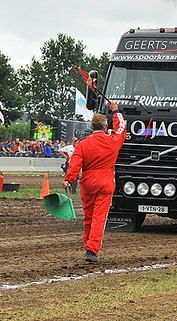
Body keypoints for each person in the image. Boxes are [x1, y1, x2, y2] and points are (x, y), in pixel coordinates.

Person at [62, 101, 126, 263]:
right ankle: (92, 249)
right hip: (106, 181)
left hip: (88, 183)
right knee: (99, 217)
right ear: (105, 127)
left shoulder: (83, 144)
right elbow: (121, 128)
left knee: (89, 216)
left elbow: (75, 163)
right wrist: (116, 111)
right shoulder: (112, 141)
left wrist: (69, 179)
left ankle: (88, 244)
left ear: (91, 127)